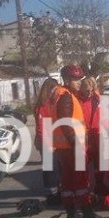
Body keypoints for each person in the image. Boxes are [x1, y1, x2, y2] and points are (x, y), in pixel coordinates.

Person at [51, 65, 107, 218]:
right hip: (72, 146)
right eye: (76, 80)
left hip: (64, 147)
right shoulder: (66, 96)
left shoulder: (59, 94)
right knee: (81, 181)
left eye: (79, 79)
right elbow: (66, 123)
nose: (79, 82)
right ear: (67, 80)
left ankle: (71, 214)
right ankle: (88, 215)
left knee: (68, 182)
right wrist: (75, 144)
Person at [34, 77, 61, 206]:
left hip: (52, 141)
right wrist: (48, 145)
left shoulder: (51, 103)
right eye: (54, 89)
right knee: (50, 170)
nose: (56, 92)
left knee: (54, 169)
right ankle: (52, 196)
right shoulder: (43, 105)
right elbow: (41, 128)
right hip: (47, 143)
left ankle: (55, 193)